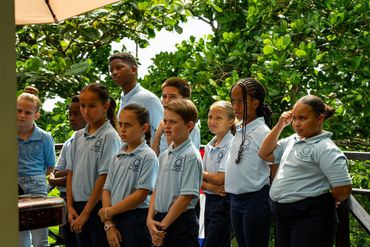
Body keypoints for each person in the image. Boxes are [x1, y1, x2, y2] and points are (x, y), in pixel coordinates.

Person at [259, 95, 352, 247]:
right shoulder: (293, 139)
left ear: (320, 118)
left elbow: (343, 189)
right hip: (283, 216)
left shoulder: (326, 148)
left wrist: (324, 199)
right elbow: (265, 154)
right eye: (294, 118)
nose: (296, 124)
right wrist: (280, 125)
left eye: (302, 118)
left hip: (310, 218)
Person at [66, 83, 122, 247]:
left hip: (96, 206)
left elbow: (104, 178)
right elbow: (71, 172)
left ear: (105, 106)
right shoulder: (77, 136)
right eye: (83, 106)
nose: (86, 111)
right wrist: (70, 206)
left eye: (92, 106)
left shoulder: (109, 137)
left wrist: (85, 214)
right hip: (77, 205)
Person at [98, 104, 158, 247]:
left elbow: (141, 194)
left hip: (136, 219)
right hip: (114, 218)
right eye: (120, 124)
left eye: (128, 125)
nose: (122, 129)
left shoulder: (148, 156)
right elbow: (107, 189)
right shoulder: (118, 154)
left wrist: (108, 212)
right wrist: (109, 223)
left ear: (144, 128)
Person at [147, 99, 203, 247]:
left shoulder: (190, 155)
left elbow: (185, 197)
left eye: (173, 122)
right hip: (160, 219)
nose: (167, 126)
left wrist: (162, 227)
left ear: (189, 126)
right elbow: (156, 189)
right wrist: (149, 219)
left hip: (180, 222)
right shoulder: (164, 155)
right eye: (165, 121)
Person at [224, 78, 273, 247]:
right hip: (235, 200)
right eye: (233, 102)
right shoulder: (239, 129)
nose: (236, 107)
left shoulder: (262, 131)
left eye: (241, 102)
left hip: (256, 199)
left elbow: (274, 166)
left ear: (255, 102)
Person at [18, 86, 56, 247]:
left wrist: (35, 179)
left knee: (41, 238)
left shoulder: (44, 137)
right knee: (19, 237)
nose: (22, 115)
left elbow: (50, 166)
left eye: (27, 112)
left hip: (37, 186)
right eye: (18, 110)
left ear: (36, 115)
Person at [48, 95, 86, 247]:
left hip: (81, 202)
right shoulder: (68, 142)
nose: (71, 118)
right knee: (68, 241)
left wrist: (68, 174)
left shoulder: (92, 141)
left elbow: (81, 174)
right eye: (70, 114)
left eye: (76, 114)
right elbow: (56, 172)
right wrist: (70, 173)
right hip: (65, 200)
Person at [201, 101, 235, 247]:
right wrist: (213, 187)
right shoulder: (210, 145)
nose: (212, 121)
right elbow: (196, 178)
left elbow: (221, 178)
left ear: (230, 121)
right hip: (210, 199)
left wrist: (201, 174)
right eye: (210, 117)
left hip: (224, 203)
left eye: (218, 118)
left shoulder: (232, 143)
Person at [109, 52, 163, 140]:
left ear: (133, 70)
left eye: (119, 68)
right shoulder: (123, 98)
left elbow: (163, 132)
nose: (114, 72)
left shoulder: (148, 98)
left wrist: (154, 153)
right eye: (111, 70)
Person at [151, 77, 201, 156]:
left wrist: (169, 137)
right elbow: (153, 158)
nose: (167, 100)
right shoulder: (163, 123)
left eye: (173, 97)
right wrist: (157, 136)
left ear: (185, 99)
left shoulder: (189, 126)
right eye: (164, 97)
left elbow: (181, 158)